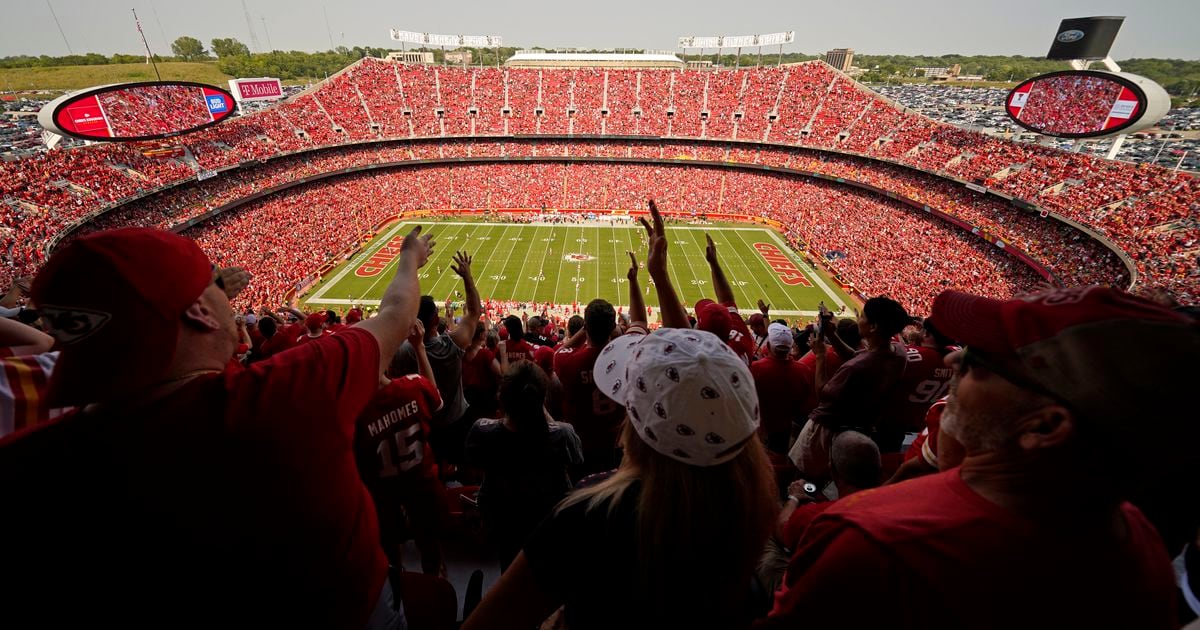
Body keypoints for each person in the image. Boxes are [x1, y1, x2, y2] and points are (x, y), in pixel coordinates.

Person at [0, 226, 433, 628]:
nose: (226, 296)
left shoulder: (26, 468)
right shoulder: (290, 392)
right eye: (214, 284)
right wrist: (409, 258)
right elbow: (395, 314)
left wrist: (203, 289)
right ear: (199, 314)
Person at [763, 286, 1198, 629]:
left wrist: (799, 503)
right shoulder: (1139, 545)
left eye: (982, 359)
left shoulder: (876, 540)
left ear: (1044, 427)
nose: (954, 358)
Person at [463, 200, 778, 630]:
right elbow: (688, 368)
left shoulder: (588, 515)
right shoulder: (748, 532)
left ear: (638, 418)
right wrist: (659, 278)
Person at [464, 361, 582, 572]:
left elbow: (473, 466)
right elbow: (576, 464)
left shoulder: (481, 432)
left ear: (501, 398)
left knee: (508, 564)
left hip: (503, 520)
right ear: (542, 399)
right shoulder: (564, 435)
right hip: (548, 522)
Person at [355, 320, 445, 576]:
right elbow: (436, 401)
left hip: (383, 492)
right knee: (430, 545)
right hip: (421, 481)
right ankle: (436, 581)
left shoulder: (357, 411)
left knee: (389, 549)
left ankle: (396, 586)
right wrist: (420, 349)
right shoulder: (412, 387)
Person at [790, 296, 910, 482]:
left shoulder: (855, 368)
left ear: (873, 327)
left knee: (805, 475)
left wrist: (821, 356)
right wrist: (832, 335)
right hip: (861, 425)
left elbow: (823, 394)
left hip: (828, 426)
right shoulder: (898, 352)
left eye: (862, 316)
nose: (858, 320)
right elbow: (857, 355)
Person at [757, 431, 880, 595]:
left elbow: (781, 530)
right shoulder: (898, 501)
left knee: (766, 529)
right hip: (870, 586)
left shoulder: (817, 516)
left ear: (832, 471)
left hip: (821, 593)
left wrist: (794, 497)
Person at [390, 251, 480, 467]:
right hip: (456, 419)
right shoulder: (453, 345)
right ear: (436, 319)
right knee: (463, 463)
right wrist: (467, 277)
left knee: (431, 466)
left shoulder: (400, 351)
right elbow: (474, 312)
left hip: (423, 423)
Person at [750, 322, 816, 455]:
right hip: (787, 430)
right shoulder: (803, 371)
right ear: (791, 347)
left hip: (759, 430)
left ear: (768, 346)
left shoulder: (754, 369)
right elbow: (808, 406)